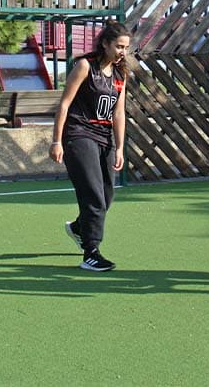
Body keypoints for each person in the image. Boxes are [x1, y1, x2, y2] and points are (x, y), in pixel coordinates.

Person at [50, 20, 130, 272]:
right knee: (93, 195)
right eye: (119, 46)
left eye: (126, 48)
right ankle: (91, 252)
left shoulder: (120, 74)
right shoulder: (85, 66)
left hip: (104, 138)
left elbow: (119, 113)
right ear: (105, 44)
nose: (123, 52)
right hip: (79, 135)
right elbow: (64, 104)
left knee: (107, 195)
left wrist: (119, 147)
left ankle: (78, 227)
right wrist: (56, 140)